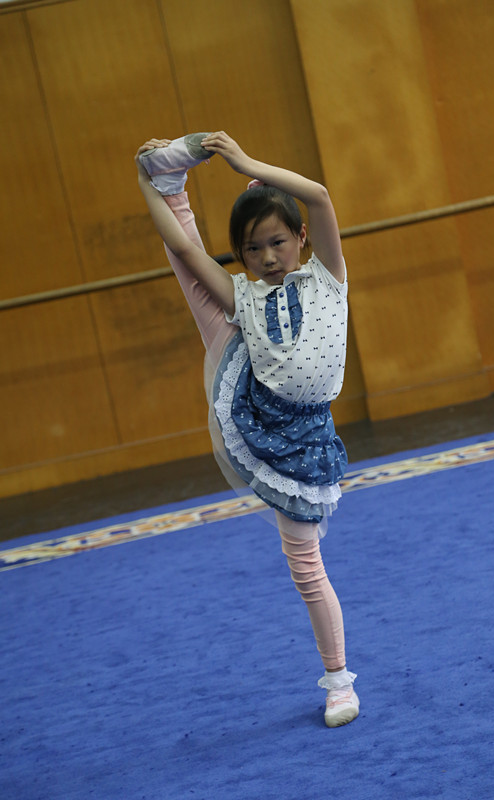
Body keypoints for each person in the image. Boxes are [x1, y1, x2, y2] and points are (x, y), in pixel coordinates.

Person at [135, 131, 359, 728]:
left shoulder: (328, 276)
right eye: (252, 248)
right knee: (305, 566)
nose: (267, 256)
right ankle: (166, 180)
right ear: (240, 255)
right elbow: (185, 251)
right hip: (263, 422)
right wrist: (144, 183)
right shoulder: (243, 294)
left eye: (277, 242)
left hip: (308, 439)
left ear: (302, 238)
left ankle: (340, 681)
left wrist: (243, 164)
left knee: (308, 565)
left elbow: (318, 195)